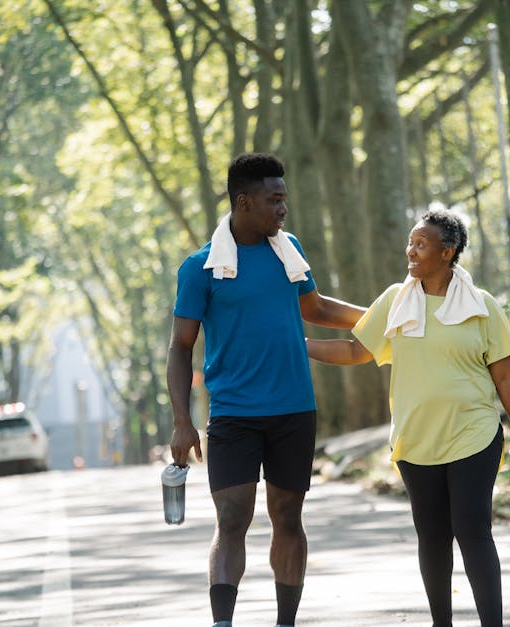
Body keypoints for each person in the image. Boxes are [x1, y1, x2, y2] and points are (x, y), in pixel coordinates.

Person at [306, 207, 510, 627]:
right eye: (410, 243)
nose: (410, 252)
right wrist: (299, 343)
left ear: (448, 252)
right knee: (433, 538)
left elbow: (505, 376)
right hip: (416, 442)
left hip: (473, 434)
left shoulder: (482, 306)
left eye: (421, 244)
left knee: (472, 531)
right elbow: (355, 350)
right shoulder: (396, 301)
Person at [167, 153, 366, 627]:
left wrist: (381, 314)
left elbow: (315, 308)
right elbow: (180, 347)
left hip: (294, 410)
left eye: (284, 198)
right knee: (233, 518)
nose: (283, 208)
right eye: (274, 199)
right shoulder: (201, 269)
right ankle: (223, 622)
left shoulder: (288, 249)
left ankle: (285, 623)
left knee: (288, 518)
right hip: (233, 414)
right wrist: (181, 420)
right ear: (244, 201)